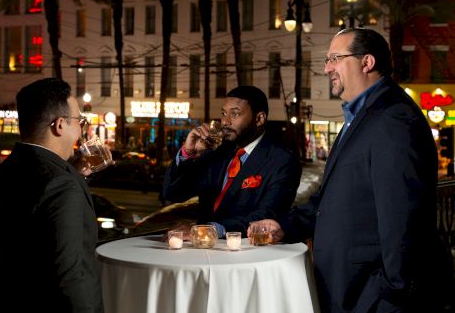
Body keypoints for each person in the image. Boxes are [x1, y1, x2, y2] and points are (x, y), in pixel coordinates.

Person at [249, 28, 441, 312]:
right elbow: (333, 198)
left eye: (335, 58)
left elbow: (403, 219)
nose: (327, 68)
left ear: (367, 62)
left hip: (369, 296)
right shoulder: (361, 116)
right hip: (348, 288)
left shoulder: (393, 119)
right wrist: (285, 227)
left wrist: (390, 297)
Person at [0, 78, 104, 313]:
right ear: (60, 125)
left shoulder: (6, 169)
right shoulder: (63, 184)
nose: (81, 129)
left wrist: (75, 172)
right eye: (79, 121)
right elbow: (69, 275)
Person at [162, 85, 301, 238]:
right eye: (223, 113)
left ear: (259, 119)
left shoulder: (282, 161)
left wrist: (210, 229)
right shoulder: (216, 152)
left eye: (235, 114)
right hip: (202, 250)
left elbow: (266, 216)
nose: (225, 121)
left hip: (246, 253)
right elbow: (172, 193)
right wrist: (188, 153)